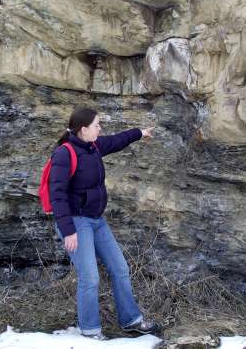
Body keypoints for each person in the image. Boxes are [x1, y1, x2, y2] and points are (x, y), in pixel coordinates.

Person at [49, 107, 159, 341]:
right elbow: (56, 195)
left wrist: (140, 132)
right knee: (90, 278)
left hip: (96, 221)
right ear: (83, 129)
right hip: (77, 223)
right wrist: (68, 231)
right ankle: (90, 331)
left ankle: (131, 321)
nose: (100, 129)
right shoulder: (64, 154)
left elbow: (118, 140)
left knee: (120, 269)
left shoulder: (94, 146)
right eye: (97, 125)